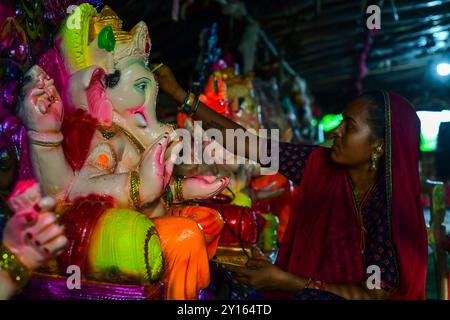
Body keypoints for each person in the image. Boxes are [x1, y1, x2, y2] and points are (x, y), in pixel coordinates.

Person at [153, 65, 428, 300]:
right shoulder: (320, 164)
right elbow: (249, 145)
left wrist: (284, 281)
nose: (335, 131)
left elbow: (373, 295)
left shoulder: (388, 210)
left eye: (350, 126)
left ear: (378, 147)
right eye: (341, 122)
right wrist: (181, 96)